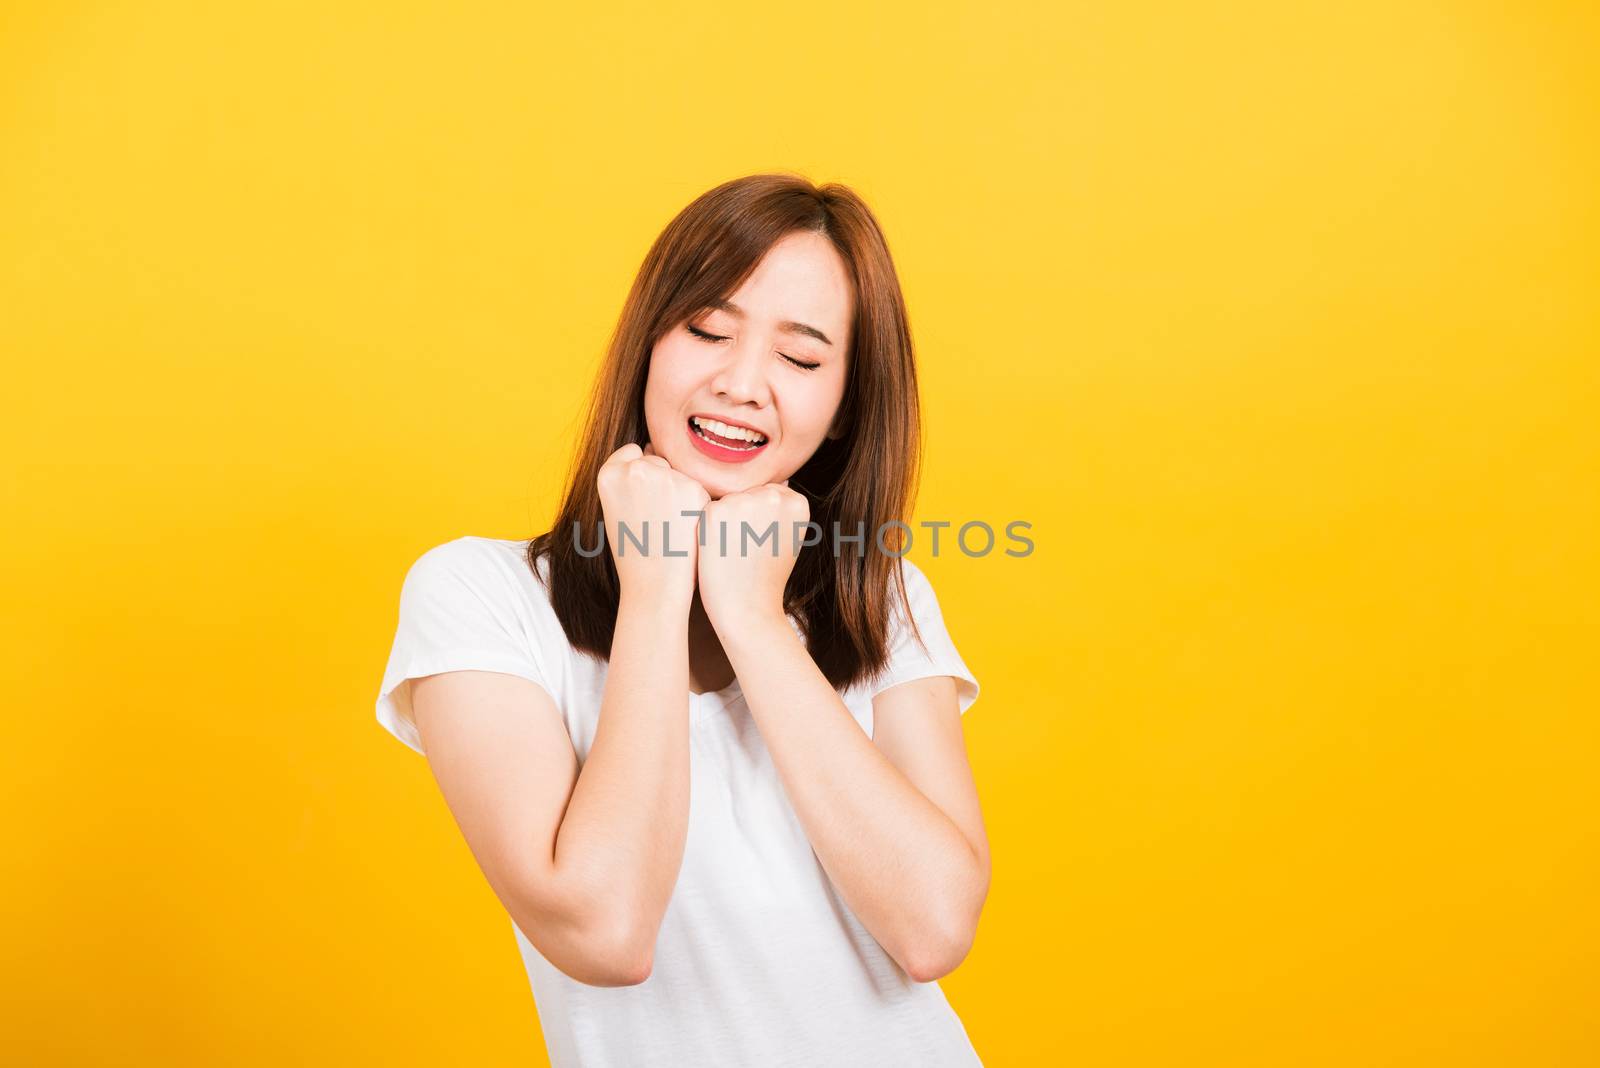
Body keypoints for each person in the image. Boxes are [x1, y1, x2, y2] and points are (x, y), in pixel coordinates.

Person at [375, 173, 990, 1066]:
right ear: (648, 345)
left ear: (846, 405)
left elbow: (934, 927)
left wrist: (753, 620)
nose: (742, 383)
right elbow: (607, 932)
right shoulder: (480, 597)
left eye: (803, 358)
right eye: (707, 330)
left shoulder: (881, 597)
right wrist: (659, 588)